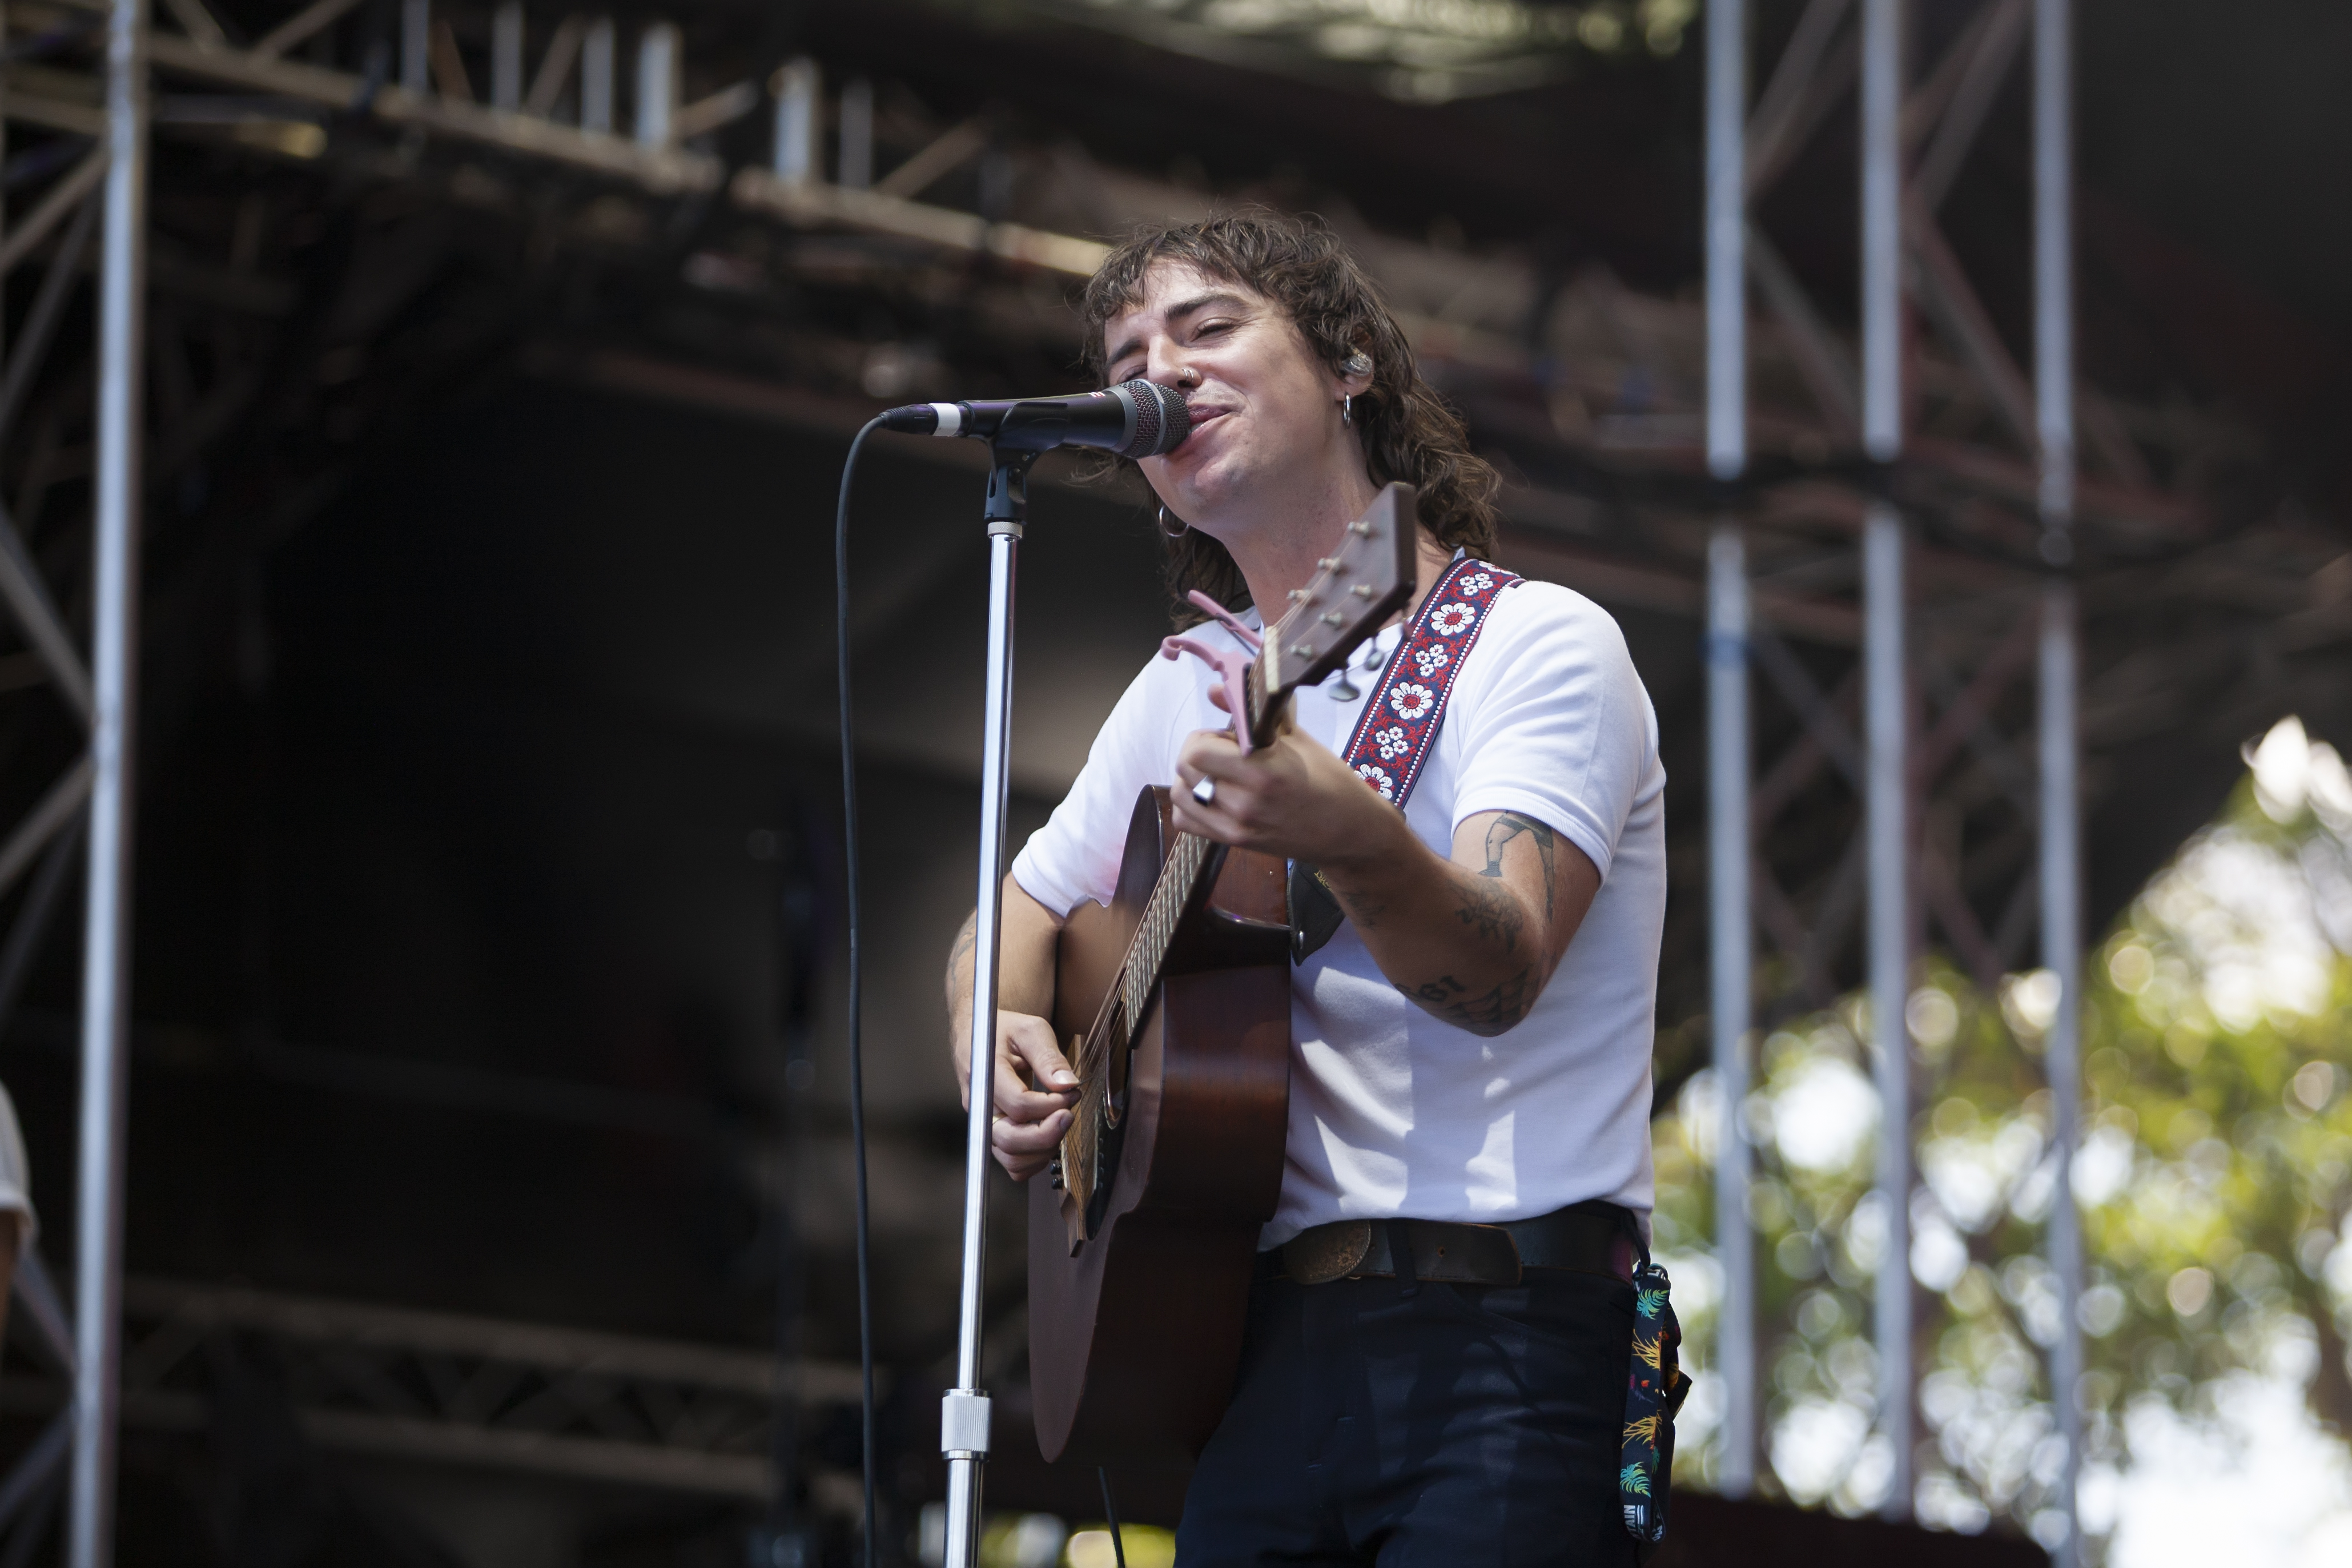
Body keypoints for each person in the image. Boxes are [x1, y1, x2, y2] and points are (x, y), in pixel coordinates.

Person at [943, 210, 1667, 1566]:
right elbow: (1017, 911)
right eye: (1129, 360)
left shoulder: (1533, 645)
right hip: (1261, 1349)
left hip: (1508, 1341)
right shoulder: (1183, 688)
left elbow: (1498, 969)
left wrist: (1347, 835)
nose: (1162, 372)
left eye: (1208, 328)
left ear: (1349, 367)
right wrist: (994, 1025)